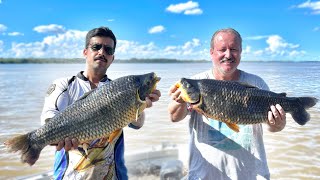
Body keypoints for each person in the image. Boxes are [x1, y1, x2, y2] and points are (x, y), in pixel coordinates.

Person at [41, 26, 161, 180]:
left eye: (108, 50)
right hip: (70, 176)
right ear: (85, 52)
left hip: (113, 176)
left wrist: (142, 104)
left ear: (112, 57)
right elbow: (47, 121)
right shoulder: (64, 85)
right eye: (96, 47)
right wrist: (54, 137)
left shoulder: (119, 89)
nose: (102, 52)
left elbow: (137, 124)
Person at [168, 28, 286, 180]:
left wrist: (277, 123)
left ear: (241, 52)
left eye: (234, 49)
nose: (228, 55)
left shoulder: (257, 83)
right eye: (222, 50)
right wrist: (180, 102)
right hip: (203, 175)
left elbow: (274, 127)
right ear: (212, 53)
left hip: (250, 175)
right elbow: (174, 117)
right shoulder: (196, 82)